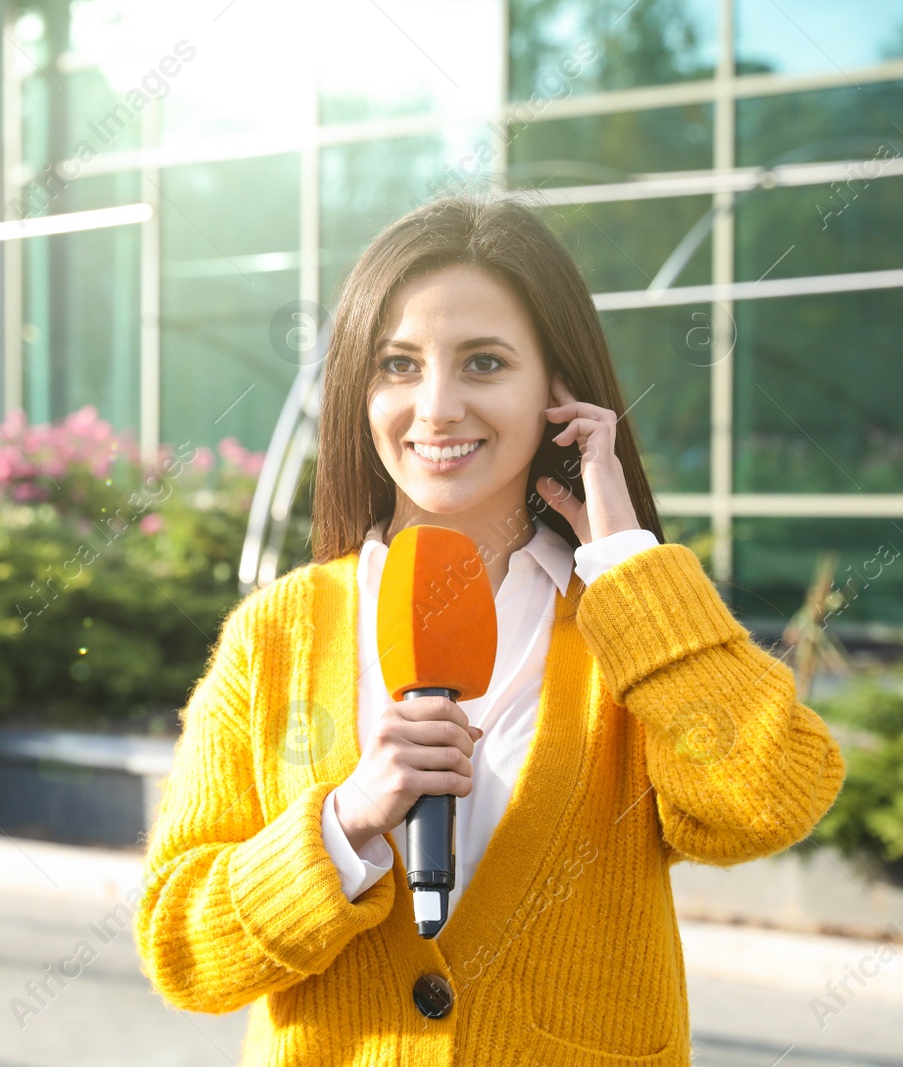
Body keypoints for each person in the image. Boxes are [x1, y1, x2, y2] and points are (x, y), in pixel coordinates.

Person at [131, 194, 847, 1065]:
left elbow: (767, 797)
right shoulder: (277, 636)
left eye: (483, 362)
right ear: (359, 386)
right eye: (398, 363)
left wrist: (625, 560)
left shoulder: (623, 625)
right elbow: (181, 950)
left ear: (559, 388)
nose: (435, 407)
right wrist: (347, 821)